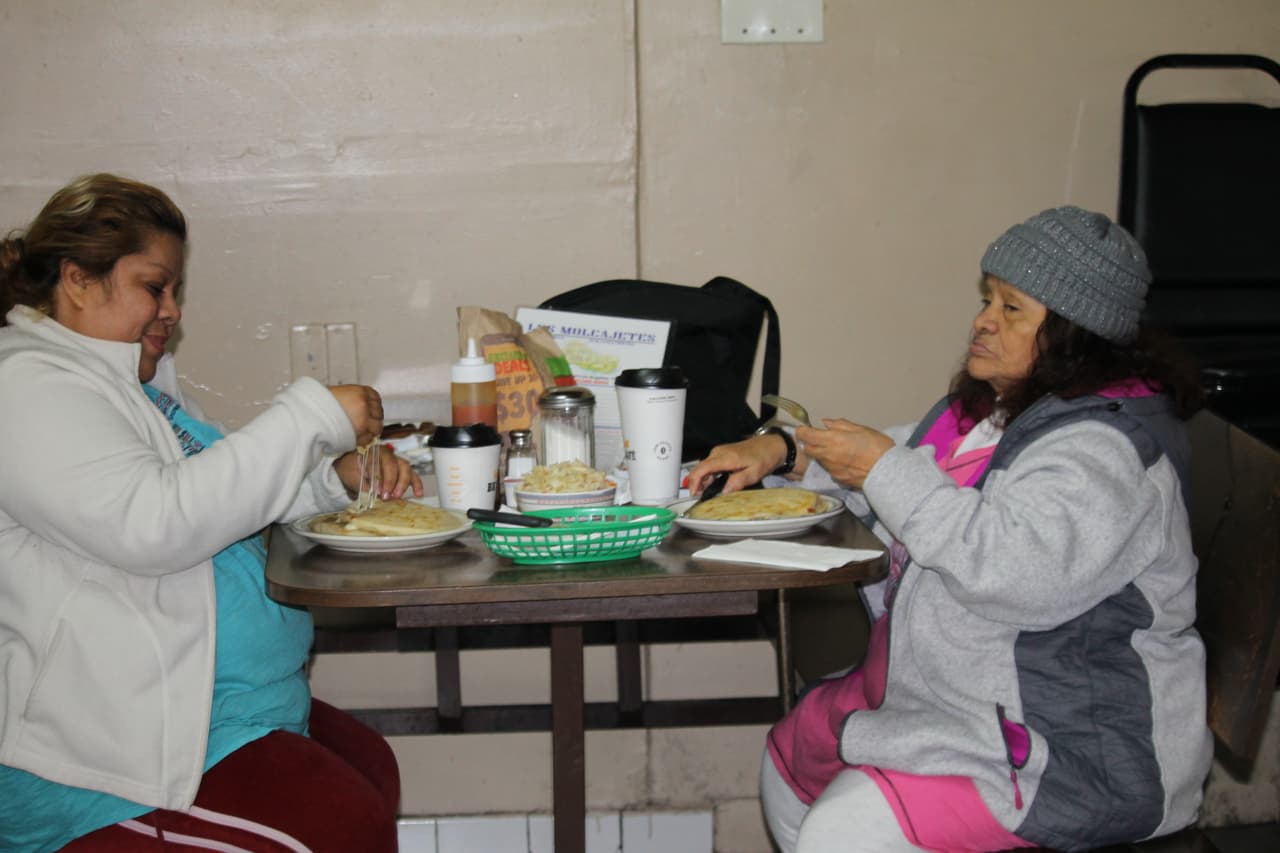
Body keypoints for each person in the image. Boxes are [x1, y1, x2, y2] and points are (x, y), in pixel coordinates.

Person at [688, 206, 1213, 853]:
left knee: (842, 832)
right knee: (788, 769)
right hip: (960, 694)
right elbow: (918, 460)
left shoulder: (1105, 453)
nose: (983, 319)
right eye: (988, 296)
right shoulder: (1001, 411)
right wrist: (788, 452)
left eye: (1012, 307)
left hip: (1070, 748)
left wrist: (880, 468)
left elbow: (1013, 568)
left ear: (1077, 333)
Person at [0, 173, 420, 852]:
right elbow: (155, 524)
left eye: (175, 291)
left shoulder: (131, 385)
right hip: (109, 758)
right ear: (78, 281)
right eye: (153, 286)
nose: (171, 311)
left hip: (205, 708)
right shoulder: (27, 387)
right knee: (342, 819)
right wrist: (311, 415)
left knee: (370, 764)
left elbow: (222, 497)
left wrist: (328, 482)